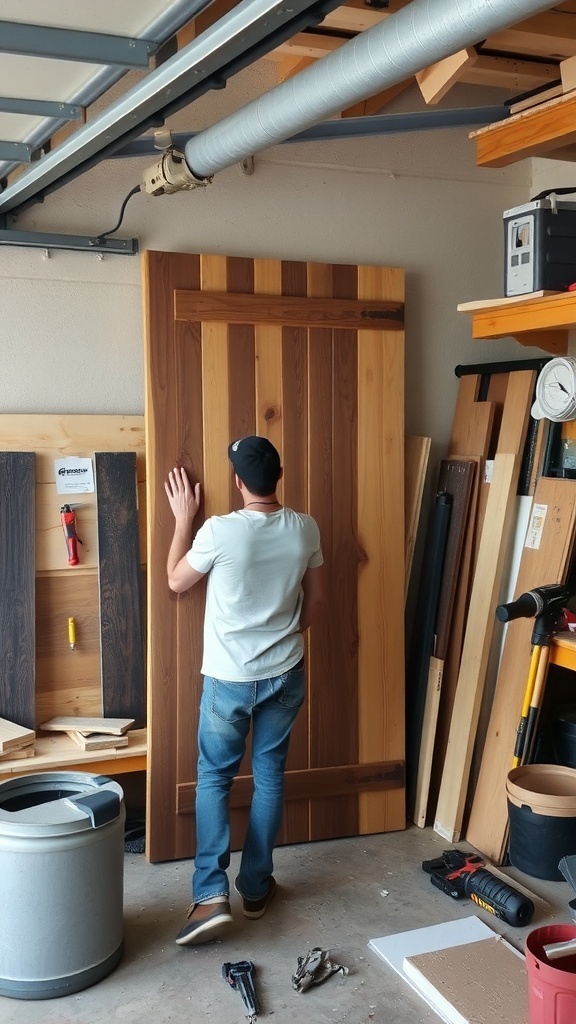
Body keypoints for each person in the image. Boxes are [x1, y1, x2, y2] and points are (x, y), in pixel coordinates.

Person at [164, 435, 325, 946]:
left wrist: (182, 520)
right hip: (286, 674)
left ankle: (211, 896)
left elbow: (175, 582)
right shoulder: (305, 527)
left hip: (229, 679)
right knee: (270, 776)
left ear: (237, 482)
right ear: (279, 477)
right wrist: (279, 638)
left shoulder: (219, 531)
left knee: (214, 778)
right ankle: (255, 889)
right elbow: (315, 603)